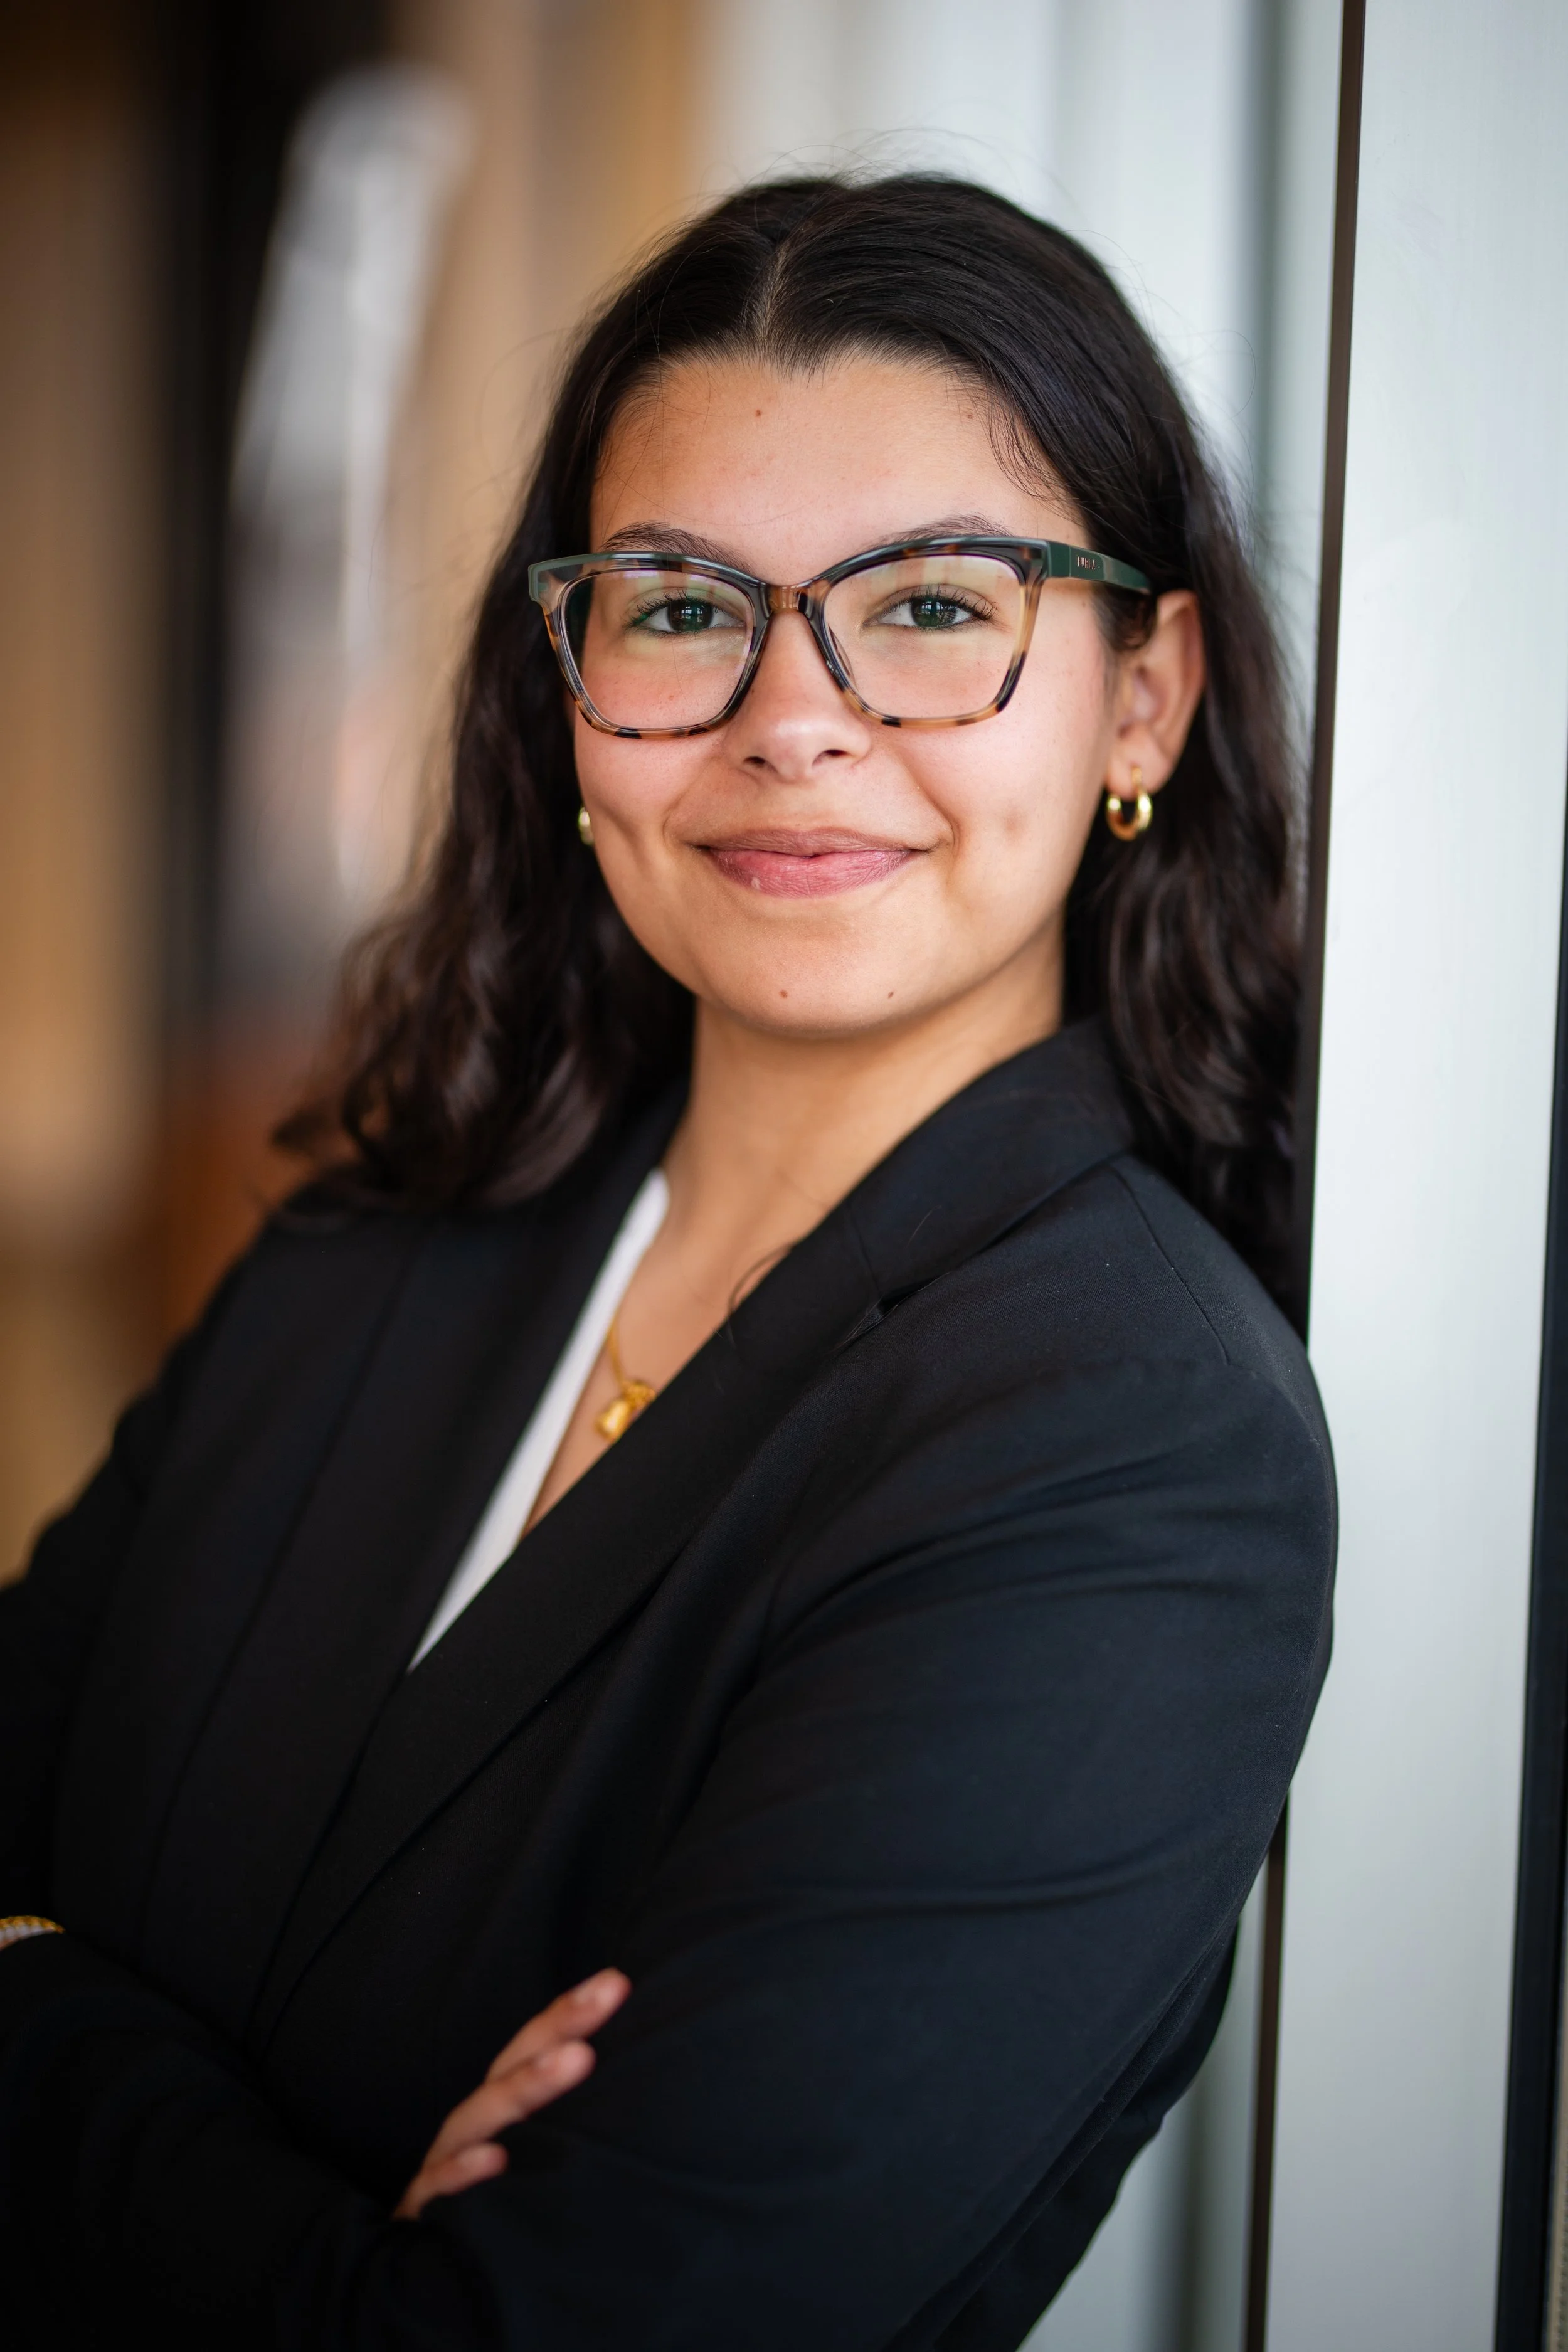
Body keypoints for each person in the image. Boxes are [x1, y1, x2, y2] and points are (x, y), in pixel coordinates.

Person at [0, 174, 1334, 2350]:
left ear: (1141, 701)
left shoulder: (1130, 1450)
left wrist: (41, 1989)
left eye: (928, 606)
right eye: (681, 605)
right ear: (565, 683)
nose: (790, 718)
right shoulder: (399, 1221)